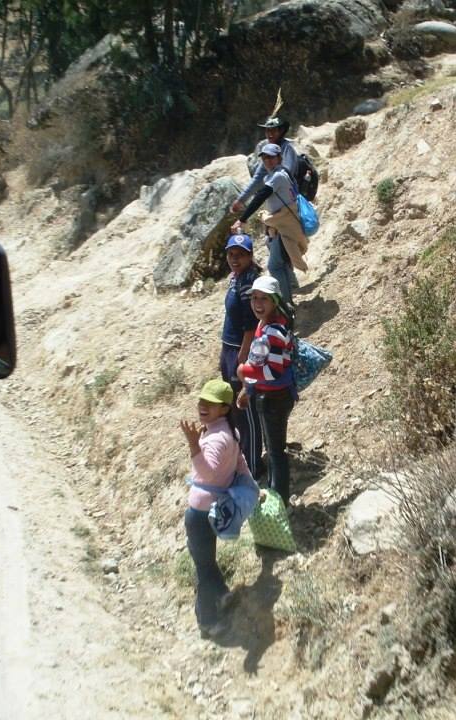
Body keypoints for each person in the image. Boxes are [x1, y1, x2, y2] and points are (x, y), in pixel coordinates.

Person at [180, 379, 250, 638]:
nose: (203, 406)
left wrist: (193, 445)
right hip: (214, 508)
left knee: (203, 567)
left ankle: (208, 622)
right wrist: (251, 487)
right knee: (206, 561)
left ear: (225, 408)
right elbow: (240, 462)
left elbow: (207, 474)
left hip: (199, 512)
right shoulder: (230, 433)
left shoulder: (215, 438)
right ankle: (222, 595)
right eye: (201, 401)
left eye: (210, 403)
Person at [236, 276, 296, 507]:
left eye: (263, 299)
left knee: (276, 453)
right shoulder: (267, 324)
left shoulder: (273, 331)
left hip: (274, 398)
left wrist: (244, 371)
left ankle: (279, 504)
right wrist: (248, 388)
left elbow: (273, 370)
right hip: (269, 396)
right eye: (254, 298)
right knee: (274, 449)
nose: (257, 303)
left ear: (274, 301)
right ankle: (276, 496)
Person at [231, 143, 308, 306]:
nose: (268, 160)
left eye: (271, 157)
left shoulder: (278, 176)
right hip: (282, 225)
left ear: (279, 158)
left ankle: (287, 305)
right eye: (265, 157)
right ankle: (292, 288)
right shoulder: (282, 173)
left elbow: (261, 196)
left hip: (283, 226)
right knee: (283, 261)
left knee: (275, 266)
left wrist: (242, 219)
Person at [219, 233, 263, 478]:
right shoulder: (236, 278)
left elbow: (250, 323)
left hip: (239, 350)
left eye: (240, 255)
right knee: (232, 406)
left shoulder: (250, 283)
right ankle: (242, 458)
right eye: (231, 254)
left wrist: (243, 356)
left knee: (244, 407)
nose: (234, 259)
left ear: (250, 256)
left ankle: (254, 464)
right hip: (229, 347)